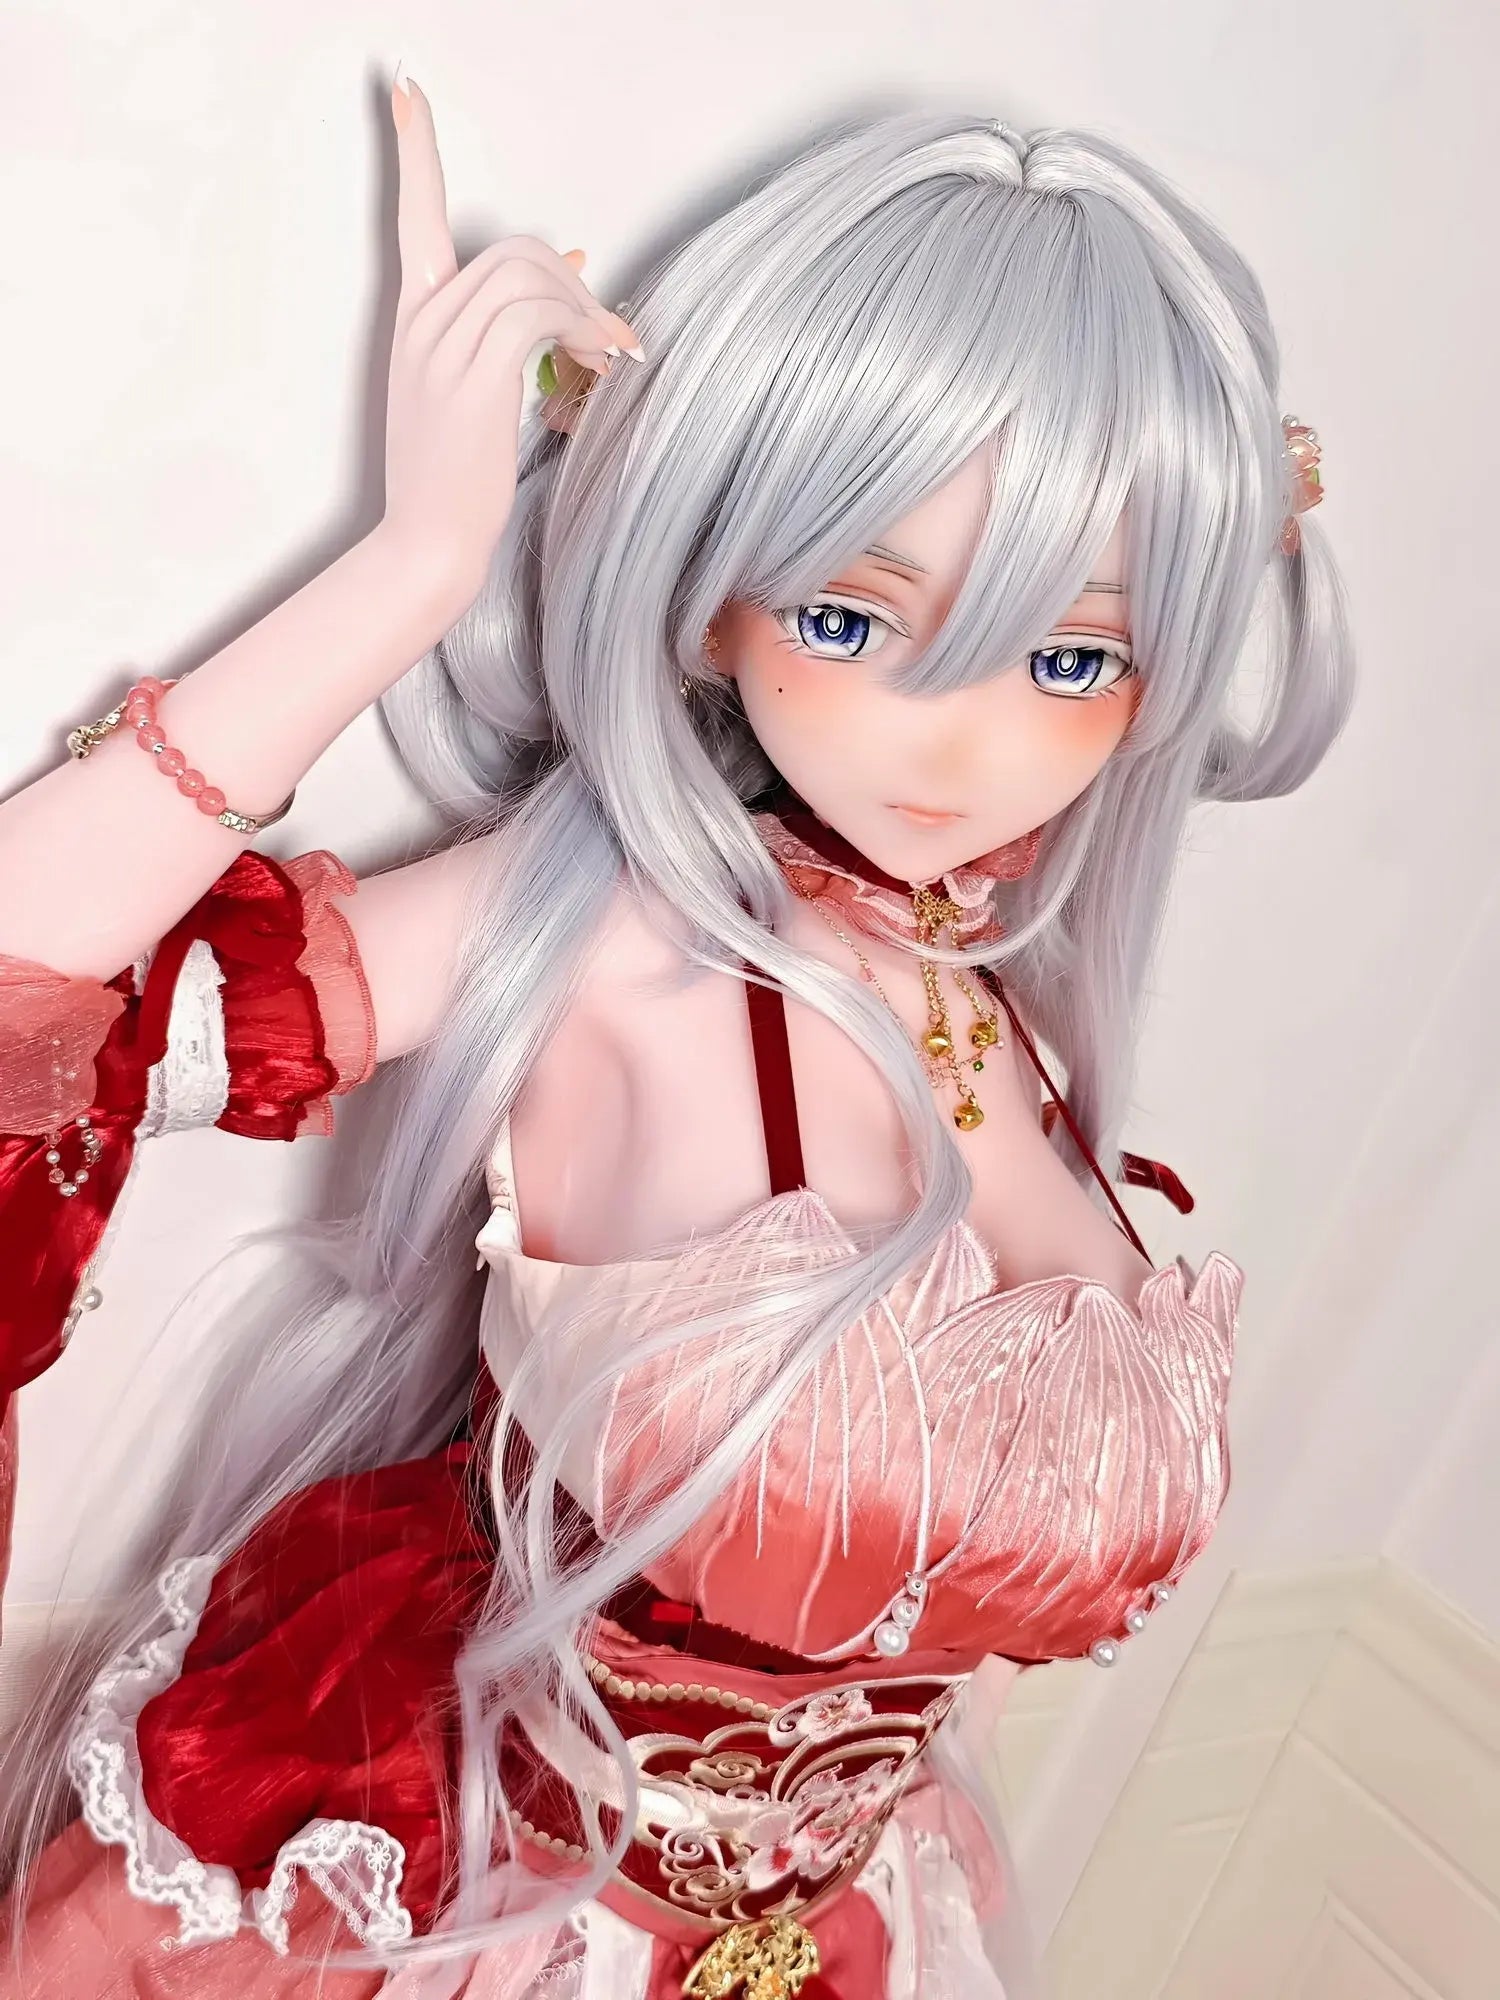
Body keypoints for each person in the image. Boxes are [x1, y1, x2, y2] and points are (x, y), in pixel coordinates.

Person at [0, 72, 1352, 1999]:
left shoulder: (1024, 1033)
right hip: (480, 1910)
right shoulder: (597, 929)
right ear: (714, 602)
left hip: (863, 1920)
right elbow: (37, 1003)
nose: (959, 744)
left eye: (1073, 658)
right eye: (856, 621)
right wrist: (411, 570)